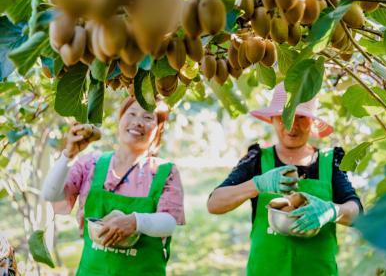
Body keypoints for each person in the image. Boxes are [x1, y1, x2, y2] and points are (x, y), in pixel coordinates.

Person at [207, 82, 362, 276]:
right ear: (272, 119)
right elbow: (214, 203)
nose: (291, 125)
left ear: (312, 122)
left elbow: (357, 213)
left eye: (301, 117)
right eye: (284, 116)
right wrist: (257, 184)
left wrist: (332, 211)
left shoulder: (330, 161)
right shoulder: (256, 159)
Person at [42, 96, 185, 276]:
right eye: (131, 113)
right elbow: (50, 194)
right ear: (120, 119)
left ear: (158, 129)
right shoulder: (91, 164)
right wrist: (68, 155)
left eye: (147, 117)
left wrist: (135, 222)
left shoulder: (164, 171)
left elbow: (169, 222)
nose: (137, 122)